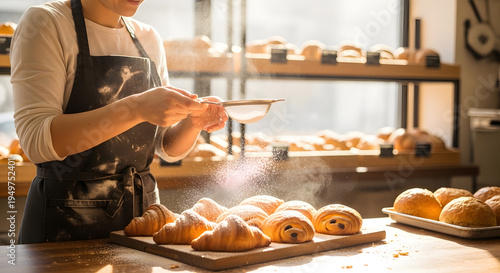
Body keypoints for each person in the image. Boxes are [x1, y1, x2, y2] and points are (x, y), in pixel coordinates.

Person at [10, 0, 228, 244]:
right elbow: (36, 141)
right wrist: (136, 108)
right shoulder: (47, 22)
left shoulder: (148, 38)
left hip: (142, 222)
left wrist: (193, 123)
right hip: (63, 224)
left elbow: (164, 147)